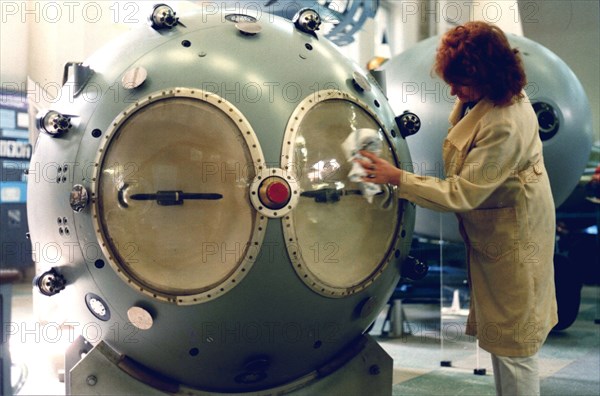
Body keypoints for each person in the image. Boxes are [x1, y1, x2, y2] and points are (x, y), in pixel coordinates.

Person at [357, 21, 557, 395]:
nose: (452, 90)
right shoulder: (486, 95)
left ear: (489, 76)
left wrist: (396, 177)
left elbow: (461, 194)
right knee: (505, 340)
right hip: (501, 226)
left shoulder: (505, 123)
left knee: (516, 345)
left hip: (515, 239)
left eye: (460, 82)